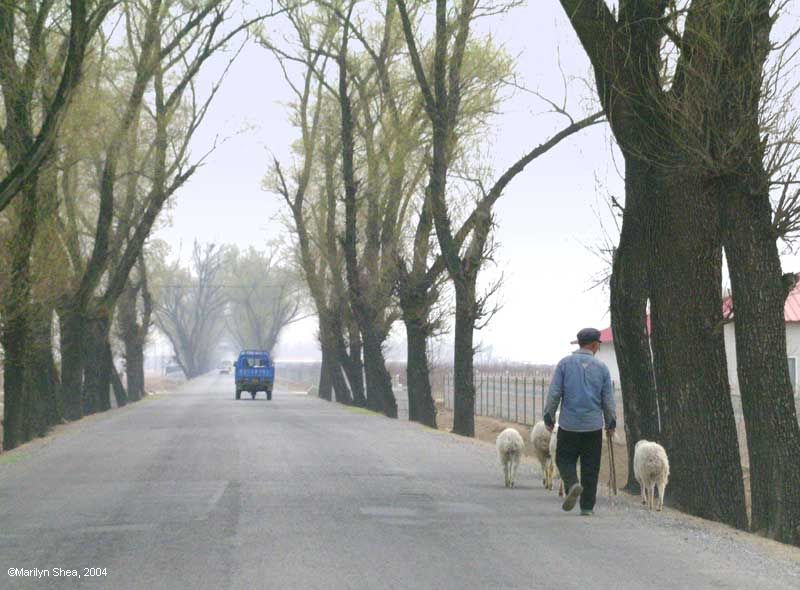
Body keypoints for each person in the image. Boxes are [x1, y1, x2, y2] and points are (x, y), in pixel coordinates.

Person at [543, 327, 616, 516]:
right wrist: (611, 422)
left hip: (569, 425)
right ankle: (587, 507)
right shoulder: (602, 369)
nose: (599, 346)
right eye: (599, 343)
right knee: (591, 466)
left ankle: (572, 484)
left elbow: (554, 393)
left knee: (563, 458)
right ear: (593, 344)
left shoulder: (564, 365)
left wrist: (549, 416)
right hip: (593, 426)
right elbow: (608, 399)